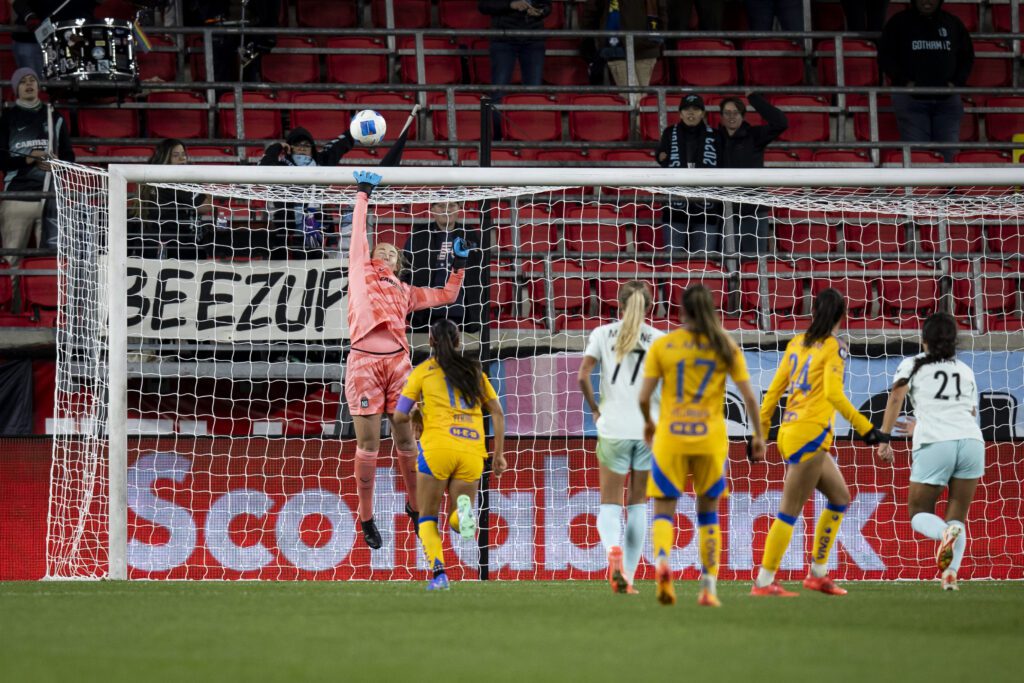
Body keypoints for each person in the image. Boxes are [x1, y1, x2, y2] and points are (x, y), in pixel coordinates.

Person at [346, 170, 467, 551]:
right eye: (380, 249)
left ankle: (415, 507)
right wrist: (363, 197)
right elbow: (358, 238)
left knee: (406, 440)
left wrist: (459, 268)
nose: (384, 251)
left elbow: (447, 295)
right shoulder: (360, 274)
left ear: (399, 263)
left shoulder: (406, 291)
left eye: (392, 251)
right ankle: (366, 516)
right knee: (368, 445)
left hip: (399, 364)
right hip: (364, 360)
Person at [751, 289, 890, 597]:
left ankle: (817, 573)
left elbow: (772, 394)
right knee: (789, 511)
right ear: (843, 316)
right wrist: (866, 429)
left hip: (790, 431)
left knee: (840, 497)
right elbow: (833, 394)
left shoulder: (795, 344)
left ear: (812, 311)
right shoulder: (834, 348)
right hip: (810, 434)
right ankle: (763, 581)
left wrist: (760, 434)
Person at [638, 284, 767, 607]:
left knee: (663, 511)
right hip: (710, 439)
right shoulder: (725, 346)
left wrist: (649, 424)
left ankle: (663, 564)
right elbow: (750, 397)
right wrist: (758, 436)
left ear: (682, 311)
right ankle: (708, 586)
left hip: (671, 437)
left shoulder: (665, 346)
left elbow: (643, 397)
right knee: (708, 514)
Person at [393, 318, 507, 591]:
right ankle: (463, 518)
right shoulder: (474, 373)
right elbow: (498, 413)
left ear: (430, 341)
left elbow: (398, 416)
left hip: (437, 448)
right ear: (458, 341)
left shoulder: (422, 372)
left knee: (428, 517)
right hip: (471, 449)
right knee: (462, 521)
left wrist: (417, 413)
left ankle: (439, 575)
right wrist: (499, 455)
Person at [876, 312, 983, 591]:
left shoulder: (912, 365)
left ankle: (943, 533)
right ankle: (951, 574)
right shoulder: (965, 370)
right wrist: (923, 424)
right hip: (972, 442)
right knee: (957, 516)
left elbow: (896, 397)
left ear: (924, 339)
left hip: (936, 442)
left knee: (919, 512)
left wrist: (884, 438)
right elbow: (970, 412)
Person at [578, 281, 664, 594]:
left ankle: (611, 549)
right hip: (646, 430)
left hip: (612, 427)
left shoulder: (602, 333)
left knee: (610, 502)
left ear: (619, 305)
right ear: (650, 307)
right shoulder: (659, 339)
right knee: (638, 503)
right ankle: (627, 576)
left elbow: (582, 376)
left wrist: (595, 411)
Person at [879, 0, 974, 163]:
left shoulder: (952, 23)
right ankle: (920, 189)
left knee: (949, 154)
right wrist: (905, 83)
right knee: (917, 156)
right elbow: (885, 57)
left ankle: (949, 189)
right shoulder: (898, 22)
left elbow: (967, 57)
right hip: (911, 100)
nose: (927, 2)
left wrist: (956, 83)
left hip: (947, 100)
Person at [0, 67, 74, 264]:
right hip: (17, 198)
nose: (29, 84)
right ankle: (13, 296)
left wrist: (57, 164)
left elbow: (69, 157)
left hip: (50, 198)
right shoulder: (7, 118)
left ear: (39, 85)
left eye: (32, 79)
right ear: (16, 88)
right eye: (23, 81)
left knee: (52, 262)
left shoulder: (55, 117)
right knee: (11, 260)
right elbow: (1, 159)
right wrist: (28, 158)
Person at [259, 127, 354, 254]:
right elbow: (262, 168)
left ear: (312, 148)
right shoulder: (280, 167)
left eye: (306, 145)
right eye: (297, 145)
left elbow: (339, 145)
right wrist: (278, 147)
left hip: (318, 229)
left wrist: (355, 130)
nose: (302, 148)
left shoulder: (322, 161)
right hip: (285, 231)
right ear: (290, 147)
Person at [717, 93, 788, 256]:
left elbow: (781, 122)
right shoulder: (715, 138)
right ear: (721, 116)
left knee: (754, 262)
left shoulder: (754, 136)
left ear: (742, 115)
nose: (731, 117)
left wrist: (754, 99)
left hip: (753, 209)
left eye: (736, 112)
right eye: (727, 113)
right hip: (724, 211)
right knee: (727, 263)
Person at [404, 201, 485, 334]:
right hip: (426, 312)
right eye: (441, 206)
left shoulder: (470, 234)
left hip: (463, 312)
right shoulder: (418, 235)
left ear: (459, 208)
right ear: (432, 209)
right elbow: (405, 270)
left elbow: (480, 273)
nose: (446, 210)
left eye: (452, 206)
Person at [656, 93, 721, 257]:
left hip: (708, 206)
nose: (691, 113)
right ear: (680, 113)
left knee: (705, 260)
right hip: (675, 207)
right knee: (673, 258)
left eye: (696, 109)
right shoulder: (670, 132)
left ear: (703, 113)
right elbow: (661, 156)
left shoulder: (715, 135)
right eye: (686, 109)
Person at [580, 1, 668, 109]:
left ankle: (639, 125)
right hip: (645, 43)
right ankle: (640, 125)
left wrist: (586, 38)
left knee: (635, 100)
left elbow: (591, 10)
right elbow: (662, 10)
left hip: (618, 44)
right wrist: (660, 38)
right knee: (638, 100)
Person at [133, 139, 212, 258]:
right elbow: (205, 207)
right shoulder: (174, 182)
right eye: (176, 155)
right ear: (165, 158)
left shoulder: (150, 179)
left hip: (148, 241)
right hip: (173, 245)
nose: (182, 159)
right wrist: (206, 186)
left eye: (183, 154)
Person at [184, 0, 282, 83]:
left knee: (249, 73)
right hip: (219, 30)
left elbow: (272, 5)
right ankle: (222, 102)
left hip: (252, 32)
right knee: (220, 75)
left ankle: (247, 101)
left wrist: (269, 34)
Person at [10, 1, 100, 76]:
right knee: (33, 84)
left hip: (74, 39)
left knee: (76, 86)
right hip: (32, 39)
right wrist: (28, 14)